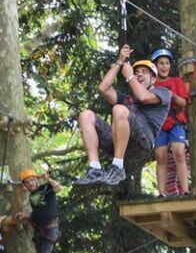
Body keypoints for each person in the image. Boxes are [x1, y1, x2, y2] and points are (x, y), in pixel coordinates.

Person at [73, 45, 172, 186]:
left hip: (141, 144)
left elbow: (143, 97)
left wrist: (130, 75)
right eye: (137, 72)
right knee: (86, 115)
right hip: (118, 141)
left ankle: (117, 167)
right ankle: (94, 167)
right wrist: (119, 62)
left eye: (145, 72)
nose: (139, 74)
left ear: (154, 79)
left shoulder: (163, 93)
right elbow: (103, 88)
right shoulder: (128, 99)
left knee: (119, 109)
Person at [14, 169, 62, 253]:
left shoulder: (46, 187)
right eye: (27, 183)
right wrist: (25, 216)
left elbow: (58, 188)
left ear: (36, 180)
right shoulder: (31, 197)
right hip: (40, 230)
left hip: (51, 228)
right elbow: (38, 213)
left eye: (32, 180)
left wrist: (48, 179)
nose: (30, 184)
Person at [151, 48, 190, 197]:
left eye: (167, 63)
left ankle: (185, 190)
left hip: (175, 123)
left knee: (179, 152)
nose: (164, 66)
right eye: (161, 63)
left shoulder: (176, 82)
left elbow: (183, 103)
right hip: (159, 125)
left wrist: (171, 96)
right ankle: (162, 192)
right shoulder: (152, 86)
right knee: (161, 156)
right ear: (156, 66)